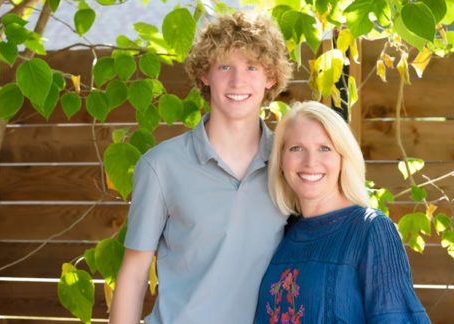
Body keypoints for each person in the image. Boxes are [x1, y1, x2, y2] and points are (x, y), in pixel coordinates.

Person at [109, 11, 293, 324]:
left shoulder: (289, 162)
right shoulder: (160, 166)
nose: (238, 81)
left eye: (251, 67)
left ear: (271, 77)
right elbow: (135, 273)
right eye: (225, 66)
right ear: (205, 75)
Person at [255, 101, 430, 323]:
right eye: (296, 148)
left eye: (324, 148)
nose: (310, 162)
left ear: (342, 158)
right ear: (280, 160)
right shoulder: (281, 232)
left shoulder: (371, 230)